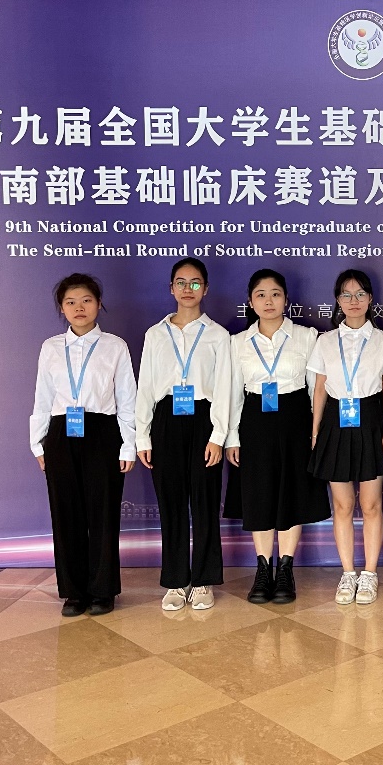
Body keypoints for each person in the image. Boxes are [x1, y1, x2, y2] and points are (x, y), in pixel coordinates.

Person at [31, 273, 136, 617]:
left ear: (99, 304)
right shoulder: (50, 348)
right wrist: (38, 444)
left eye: (87, 300)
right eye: (71, 302)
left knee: (103, 513)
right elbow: (43, 398)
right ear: (61, 308)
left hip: (103, 432)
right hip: (61, 433)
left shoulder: (115, 346)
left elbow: (127, 398)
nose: (79, 308)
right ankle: (74, 591)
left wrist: (128, 445)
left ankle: (103, 590)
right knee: (66, 515)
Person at [224, 269, 329, 604]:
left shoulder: (306, 336)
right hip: (254, 421)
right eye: (261, 295)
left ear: (286, 299)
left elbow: (315, 390)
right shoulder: (237, 343)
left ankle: (285, 569)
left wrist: (315, 430)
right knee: (259, 493)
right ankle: (262, 569)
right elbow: (232, 393)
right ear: (250, 301)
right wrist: (232, 437)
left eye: (275, 294)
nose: (268, 301)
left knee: (291, 492)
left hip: (295, 418)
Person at [135, 257, 232, 612]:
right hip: (166, 420)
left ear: (206, 289)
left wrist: (218, 435)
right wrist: (142, 436)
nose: (188, 289)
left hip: (204, 420)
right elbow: (146, 386)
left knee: (204, 502)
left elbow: (225, 387)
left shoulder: (218, 335)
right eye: (181, 282)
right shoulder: (155, 334)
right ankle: (176, 580)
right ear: (171, 288)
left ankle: (203, 579)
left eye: (195, 283)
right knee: (171, 503)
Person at [308, 270, 383, 605]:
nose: (353, 301)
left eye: (360, 294)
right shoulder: (325, 341)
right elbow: (319, 388)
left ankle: (370, 574)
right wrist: (315, 431)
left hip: (372, 420)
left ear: (370, 299)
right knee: (343, 505)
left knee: (371, 504)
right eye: (346, 295)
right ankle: (348, 573)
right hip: (335, 421)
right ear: (337, 301)